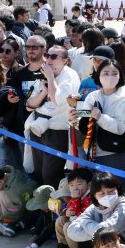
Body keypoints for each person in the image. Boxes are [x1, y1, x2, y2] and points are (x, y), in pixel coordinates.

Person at [23, 43, 80, 186]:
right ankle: (41, 205)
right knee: (38, 171)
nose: (49, 59)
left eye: (54, 56)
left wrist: (50, 79)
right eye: (47, 55)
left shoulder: (70, 75)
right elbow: (29, 103)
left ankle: (53, 206)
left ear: (65, 61)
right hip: (37, 126)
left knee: (50, 174)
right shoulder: (43, 71)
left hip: (57, 130)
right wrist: (43, 92)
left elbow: (58, 100)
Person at [76, 58, 125, 175]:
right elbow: (84, 119)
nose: (110, 77)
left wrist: (101, 117)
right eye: (105, 73)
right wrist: (74, 118)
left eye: (114, 73)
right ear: (98, 75)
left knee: (119, 190)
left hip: (116, 153)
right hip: (93, 153)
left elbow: (121, 127)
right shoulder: (92, 96)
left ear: (120, 76)